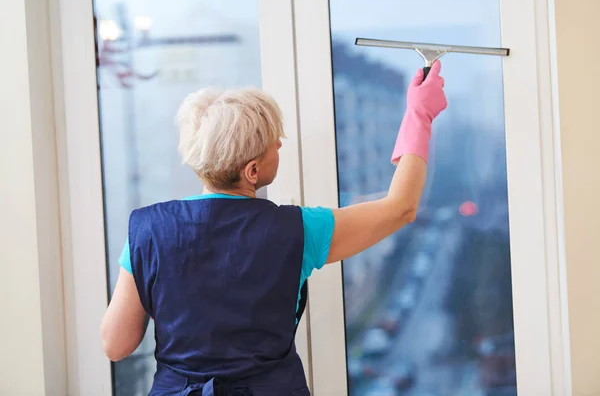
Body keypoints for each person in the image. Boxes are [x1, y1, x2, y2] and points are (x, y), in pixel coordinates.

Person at [101, 61, 447, 396]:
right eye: (272, 142)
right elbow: (400, 206)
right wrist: (419, 113)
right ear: (252, 171)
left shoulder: (146, 231)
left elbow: (116, 345)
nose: (279, 144)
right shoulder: (298, 229)